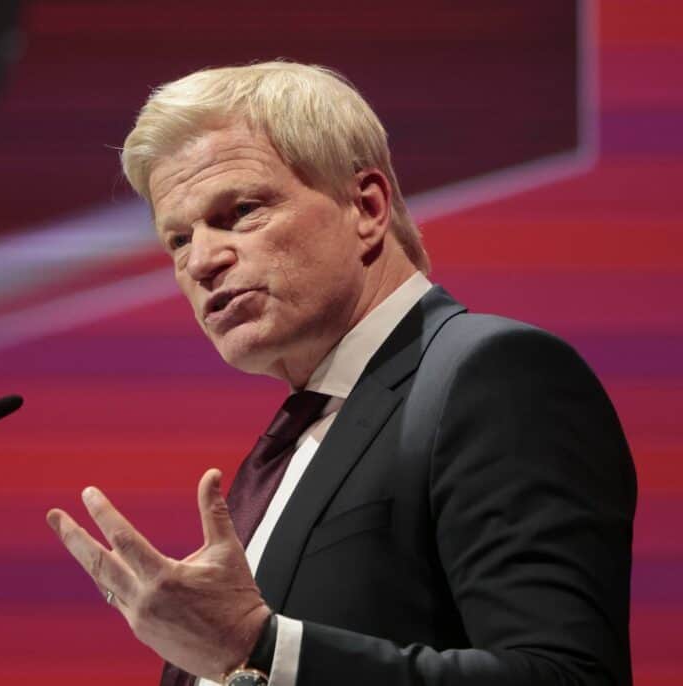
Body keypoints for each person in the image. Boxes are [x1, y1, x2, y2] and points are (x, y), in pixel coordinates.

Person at [45, 62, 635, 686]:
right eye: (178, 240)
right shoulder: (296, 440)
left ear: (367, 207)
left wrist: (261, 648)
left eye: (240, 210)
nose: (202, 261)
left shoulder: (493, 377)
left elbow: (568, 676)